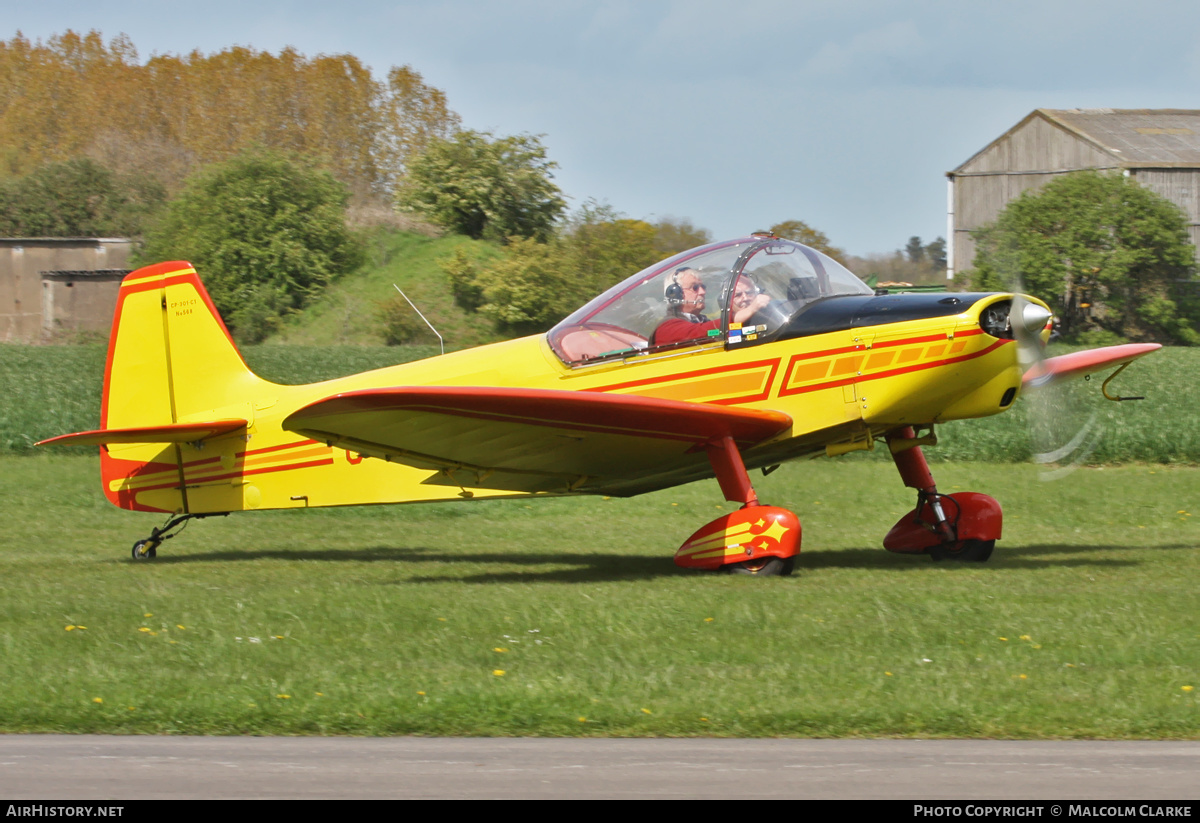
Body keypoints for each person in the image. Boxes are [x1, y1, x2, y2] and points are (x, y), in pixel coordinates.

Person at [652, 269, 770, 346]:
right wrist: (750, 310)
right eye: (695, 287)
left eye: (702, 286)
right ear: (675, 293)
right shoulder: (666, 329)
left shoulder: (702, 321)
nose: (703, 292)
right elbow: (700, 333)